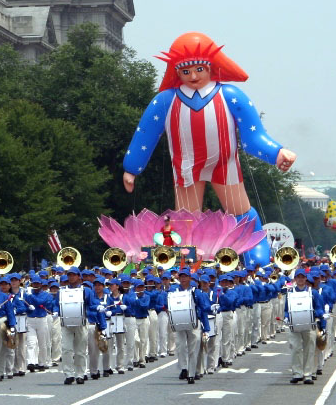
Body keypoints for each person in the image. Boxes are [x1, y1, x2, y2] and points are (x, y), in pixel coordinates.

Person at [122, 32, 297, 270]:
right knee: (186, 219)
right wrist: (132, 167)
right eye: (185, 71)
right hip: (186, 167)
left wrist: (277, 152)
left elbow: (253, 135)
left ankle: (255, 251)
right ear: (176, 71)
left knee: (240, 210)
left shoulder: (230, 96)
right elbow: (146, 134)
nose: (193, 76)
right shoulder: (165, 100)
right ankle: (187, 265)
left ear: (211, 66)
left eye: (199, 69)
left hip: (224, 164)